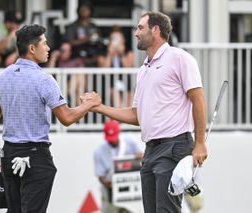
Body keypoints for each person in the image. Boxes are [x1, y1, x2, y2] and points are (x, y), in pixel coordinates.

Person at [86, 11, 207, 213]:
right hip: (150, 150)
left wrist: (201, 143)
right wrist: (99, 107)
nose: (136, 33)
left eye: (140, 28)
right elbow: (136, 115)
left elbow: (198, 100)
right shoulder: (143, 69)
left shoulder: (180, 58)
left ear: (156, 30)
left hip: (174, 146)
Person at [0, 24, 101, 213]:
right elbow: (67, 118)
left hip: (8, 155)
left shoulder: (0, 78)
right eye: (45, 44)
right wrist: (90, 103)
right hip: (35, 158)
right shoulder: (44, 79)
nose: (48, 48)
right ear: (32, 48)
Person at [94, 119, 143, 213]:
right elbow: (100, 176)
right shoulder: (99, 151)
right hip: (110, 193)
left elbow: (143, 155)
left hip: (132, 190)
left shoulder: (129, 140)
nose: (112, 141)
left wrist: (139, 155)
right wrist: (110, 183)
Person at [97, 26, 134, 107]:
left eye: (118, 39)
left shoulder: (128, 52)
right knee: (114, 92)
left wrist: (122, 54)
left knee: (130, 97)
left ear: (123, 40)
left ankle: (129, 117)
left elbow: (128, 67)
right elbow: (104, 69)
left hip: (125, 81)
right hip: (109, 83)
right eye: (114, 39)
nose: (116, 42)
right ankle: (122, 116)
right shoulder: (103, 53)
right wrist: (110, 54)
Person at [47, 41, 86, 106]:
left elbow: (83, 80)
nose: (63, 52)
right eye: (62, 50)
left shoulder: (77, 61)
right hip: (59, 88)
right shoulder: (57, 61)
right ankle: (79, 108)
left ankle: (77, 107)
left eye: (65, 50)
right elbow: (48, 75)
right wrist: (53, 58)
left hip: (75, 88)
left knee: (76, 76)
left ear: (70, 52)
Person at [64, 1, 101, 67]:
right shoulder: (73, 26)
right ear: (78, 11)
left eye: (86, 10)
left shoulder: (93, 26)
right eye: (82, 10)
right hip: (77, 55)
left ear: (90, 11)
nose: (84, 12)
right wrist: (86, 39)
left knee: (101, 59)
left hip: (93, 55)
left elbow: (99, 40)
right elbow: (70, 42)